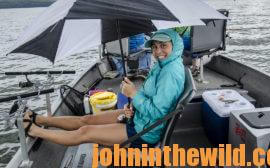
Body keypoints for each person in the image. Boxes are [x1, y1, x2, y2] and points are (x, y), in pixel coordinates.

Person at [21, 29, 185, 148]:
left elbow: (159, 113)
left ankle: (35, 131)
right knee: (87, 119)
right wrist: (132, 106)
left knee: (85, 132)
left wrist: (134, 95)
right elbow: (151, 98)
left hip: (144, 132)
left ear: (175, 45)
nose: (158, 51)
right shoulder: (163, 65)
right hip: (138, 117)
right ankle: (41, 120)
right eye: (155, 47)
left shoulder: (170, 73)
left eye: (163, 46)